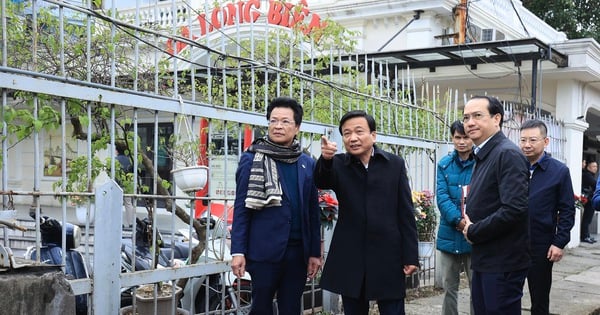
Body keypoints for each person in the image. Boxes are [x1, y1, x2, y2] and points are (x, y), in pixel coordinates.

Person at [316, 110, 419, 315]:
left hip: (388, 253)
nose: (353, 138)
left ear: (373, 135)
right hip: (351, 254)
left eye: (359, 131)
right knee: (354, 309)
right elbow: (321, 181)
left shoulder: (393, 164)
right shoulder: (338, 164)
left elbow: (405, 212)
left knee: (393, 309)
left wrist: (410, 255)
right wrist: (325, 159)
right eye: (346, 133)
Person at [230, 96, 322, 315]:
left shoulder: (307, 162)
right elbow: (242, 208)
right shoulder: (252, 159)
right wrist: (238, 251)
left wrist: (314, 253)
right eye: (273, 121)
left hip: (297, 253)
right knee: (261, 308)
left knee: (291, 308)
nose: (278, 126)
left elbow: (312, 210)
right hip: (263, 251)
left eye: (285, 121)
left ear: (297, 127)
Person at [461, 96, 530, 314]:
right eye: (466, 117)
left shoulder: (506, 154)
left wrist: (474, 230)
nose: (470, 122)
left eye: (477, 116)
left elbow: (514, 209)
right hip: (485, 257)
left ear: (496, 118)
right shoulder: (483, 154)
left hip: (503, 263)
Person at [519, 119, 575, 315]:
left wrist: (559, 242)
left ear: (546, 141)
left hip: (541, 246)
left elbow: (567, 209)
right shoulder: (514, 167)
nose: (527, 145)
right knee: (506, 296)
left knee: (540, 299)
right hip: (511, 243)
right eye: (523, 140)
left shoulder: (559, 172)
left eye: (533, 140)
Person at [436, 120, 474, 315]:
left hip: (475, 235)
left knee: (477, 288)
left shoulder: (481, 164)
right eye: (457, 137)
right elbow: (442, 198)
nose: (461, 142)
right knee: (449, 287)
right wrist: (460, 222)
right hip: (450, 234)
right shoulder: (444, 165)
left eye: (465, 137)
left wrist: (471, 226)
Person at [115, 142, 135, 227]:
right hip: (128, 184)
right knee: (128, 203)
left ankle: (119, 223)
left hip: (117, 184)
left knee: (117, 204)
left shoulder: (116, 160)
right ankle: (131, 223)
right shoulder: (130, 160)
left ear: (117, 150)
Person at [581, 160, 597, 243]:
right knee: (587, 219)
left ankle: (587, 235)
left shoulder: (590, 175)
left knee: (588, 219)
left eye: (596, 166)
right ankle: (585, 236)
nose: (595, 168)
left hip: (590, 199)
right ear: (588, 167)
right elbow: (595, 184)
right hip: (588, 200)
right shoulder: (587, 175)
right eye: (593, 166)